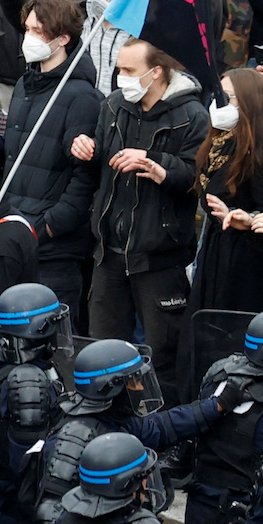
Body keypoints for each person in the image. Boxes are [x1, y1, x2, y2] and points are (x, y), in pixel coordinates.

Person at [75, 38, 209, 376]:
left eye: (129, 71)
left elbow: (198, 178)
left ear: (157, 71)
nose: (121, 78)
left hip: (159, 258)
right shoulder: (114, 105)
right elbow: (96, 166)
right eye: (119, 69)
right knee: (102, 348)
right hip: (109, 251)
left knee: (162, 356)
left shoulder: (192, 114)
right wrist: (82, 146)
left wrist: (158, 166)